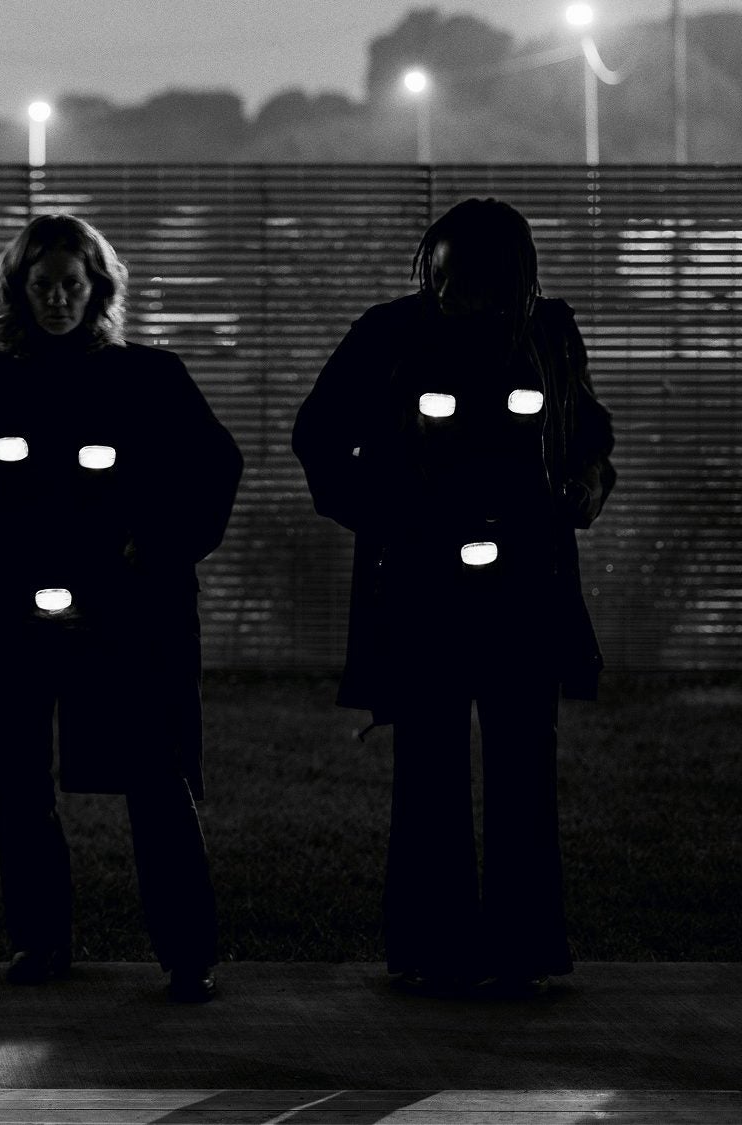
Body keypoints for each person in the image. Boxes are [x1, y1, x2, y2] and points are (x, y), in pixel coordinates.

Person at [0, 213, 239, 1003]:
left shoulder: (148, 377)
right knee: (21, 772)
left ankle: (188, 952)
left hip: (125, 604)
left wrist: (156, 544)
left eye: (70, 285)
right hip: (5, 601)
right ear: (17, 291)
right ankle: (40, 941)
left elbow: (213, 465)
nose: (56, 300)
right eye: (40, 286)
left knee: (155, 766)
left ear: (98, 289)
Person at [293, 197, 614, 998]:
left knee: (523, 761)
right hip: (423, 579)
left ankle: (520, 947)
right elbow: (318, 434)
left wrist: (585, 483)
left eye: (468, 283)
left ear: (510, 280)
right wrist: (383, 511)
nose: (451, 298)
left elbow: (589, 433)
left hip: (524, 578)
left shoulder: (547, 335)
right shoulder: (388, 333)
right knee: (429, 759)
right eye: (439, 281)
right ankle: (434, 945)